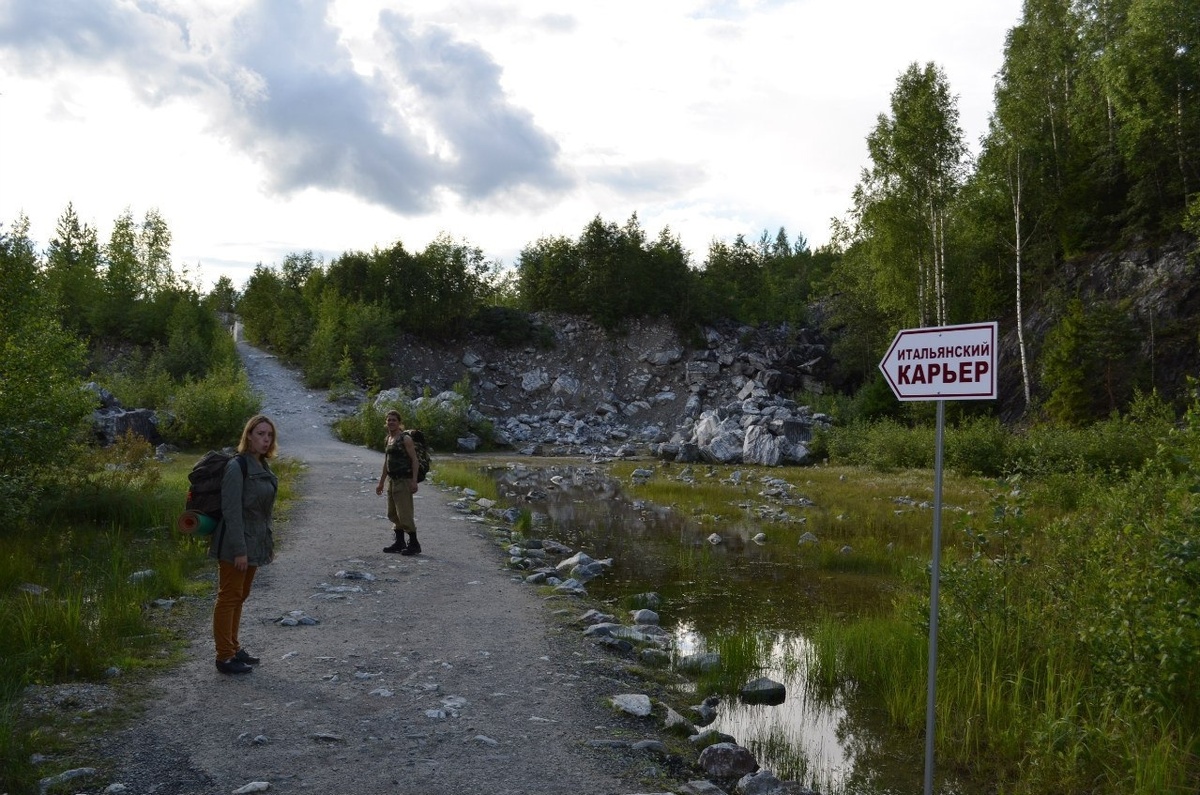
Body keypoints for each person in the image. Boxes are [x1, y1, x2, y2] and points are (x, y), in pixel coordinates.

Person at [211, 414, 278, 675]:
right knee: (228, 597)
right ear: (248, 435)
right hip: (235, 544)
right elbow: (231, 511)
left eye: (269, 435)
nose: (265, 439)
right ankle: (224, 657)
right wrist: (239, 550)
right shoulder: (237, 467)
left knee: (241, 596)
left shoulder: (262, 465)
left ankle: (234, 647)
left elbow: (263, 512)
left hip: (255, 542)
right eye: (260, 434)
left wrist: (267, 544)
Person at [375, 410, 421, 555]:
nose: (391, 422)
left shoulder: (405, 439)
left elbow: (414, 460)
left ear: (399, 422)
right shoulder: (388, 438)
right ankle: (399, 542)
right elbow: (386, 462)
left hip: (404, 480)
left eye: (394, 420)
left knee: (405, 513)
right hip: (392, 481)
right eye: (389, 420)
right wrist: (381, 482)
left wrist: (414, 481)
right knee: (393, 513)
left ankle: (414, 544)